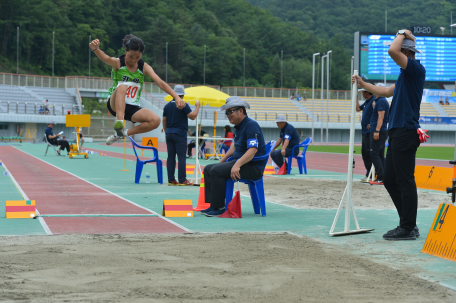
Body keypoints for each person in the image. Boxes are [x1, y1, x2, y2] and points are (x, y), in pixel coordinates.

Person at [353, 29, 426, 241]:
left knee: (404, 180)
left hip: (405, 131)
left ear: (405, 52)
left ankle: (408, 226)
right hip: (397, 133)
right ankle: (407, 223)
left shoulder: (415, 69)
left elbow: (393, 50)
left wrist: (402, 32)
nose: (395, 59)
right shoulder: (406, 74)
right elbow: (385, 92)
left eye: (400, 54)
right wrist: (362, 84)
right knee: (390, 180)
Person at [89, 35, 185, 146]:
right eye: (130, 56)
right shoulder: (118, 63)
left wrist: (176, 97)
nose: (133, 60)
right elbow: (106, 58)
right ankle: (119, 122)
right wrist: (95, 49)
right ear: (125, 50)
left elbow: (161, 83)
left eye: (137, 57)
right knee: (122, 87)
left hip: (132, 106)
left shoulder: (143, 67)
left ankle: (122, 134)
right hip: (115, 104)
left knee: (156, 120)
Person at [201, 97, 267, 217]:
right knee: (209, 168)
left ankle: (220, 207)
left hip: (253, 167)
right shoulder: (238, 126)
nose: (228, 115)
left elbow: (253, 150)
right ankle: (213, 205)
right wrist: (221, 161)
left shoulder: (251, 125)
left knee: (216, 171)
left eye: (230, 111)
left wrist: (237, 165)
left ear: (240, 111)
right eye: (226, 112)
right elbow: (235, 147)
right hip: (243, 163)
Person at [163, 85, 200, 186]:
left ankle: (171, 180)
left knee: (170, 157)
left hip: (169, 133)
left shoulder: (167, 106)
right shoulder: (183, 104)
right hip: (180, 134)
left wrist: (166, 132)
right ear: (183, 95)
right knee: (181, 157)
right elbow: (192, 116)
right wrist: (197, 107)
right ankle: (182, 180)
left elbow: (164, 120)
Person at [369, 91, 389, 185]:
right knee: (380, 155)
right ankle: (383, 177)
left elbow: (381, 117)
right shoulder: (380, 101)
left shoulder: (381, 101)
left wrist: (377, 131)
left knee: (374, 154)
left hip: (379, 131)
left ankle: (381, 177)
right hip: (381, 130)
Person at [356, 88, 376, 182]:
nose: (362, 94)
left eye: (363, 92)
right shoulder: (367, 102)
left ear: (367, 92)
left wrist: (372, 123)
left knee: (369, 153)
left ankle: (372, 173)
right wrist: (355, 97)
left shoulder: (373, 101)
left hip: (370, 132)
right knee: (364, 153)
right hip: (364, 131)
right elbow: (357, 109)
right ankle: (369, 172)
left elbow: (378, 113)